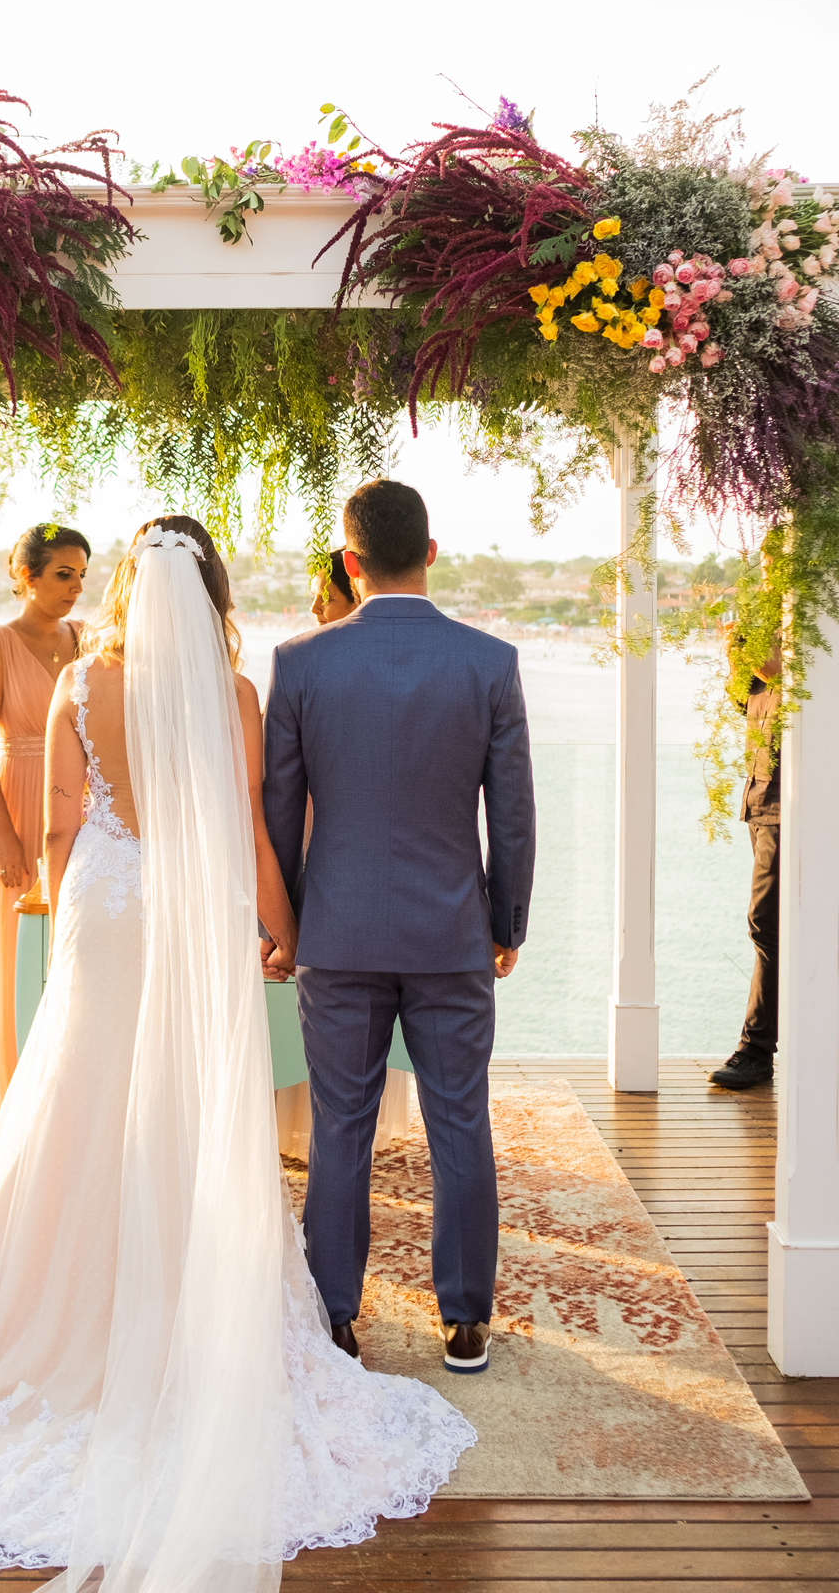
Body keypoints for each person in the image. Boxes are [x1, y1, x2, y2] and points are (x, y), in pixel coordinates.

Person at [0, 512, 475, 1589]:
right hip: (192, 910)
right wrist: (288, 932)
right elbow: (255, 832)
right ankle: (184, 1323)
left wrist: (53, 899)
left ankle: (35, 1320)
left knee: (75, 1096)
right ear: (213, 592)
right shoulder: (233, 696)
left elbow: (67, 818)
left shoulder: (86, 681)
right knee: (186, 1105)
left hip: (105, 904)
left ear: (128, 586)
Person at [263, 479, 536, 1376]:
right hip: (452, 933)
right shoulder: (489, 663)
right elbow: (515, 816)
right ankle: (464, 1323)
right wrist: (507, 921)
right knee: (461, 1120)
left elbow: (279, 811)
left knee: (342, 1124)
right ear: (430, 551)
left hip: (336, 937)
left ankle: (337, 1318)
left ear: (350, 560)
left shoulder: (300, 662)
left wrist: (288, 926)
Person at [276, 548, 413, 1159]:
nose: (314, 608)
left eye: (323, 596)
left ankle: (331, 1136)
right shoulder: (463, 662)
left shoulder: (299, 664)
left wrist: (273, 920)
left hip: (329, 876)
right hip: (400, 895)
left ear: (354, 589)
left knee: (337, 1060)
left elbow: (276, 794)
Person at [0, 524, 89, 1148]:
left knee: (75, 953)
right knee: (22, 957)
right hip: (19, 802)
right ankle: (18, 1111)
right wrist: (5, 835)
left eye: (81, 576)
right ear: (28, 576)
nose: (74, 588)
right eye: (63, 574)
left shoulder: (88, 641)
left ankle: (69, 1103)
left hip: (82, 813)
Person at [709, 632, 782, 1091]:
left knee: (766, 922)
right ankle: (760, 1047)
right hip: (761, 800)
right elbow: (750, 712)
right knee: (769, 926)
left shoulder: (808, 632)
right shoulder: (769, 629)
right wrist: (740, 673)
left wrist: (780, 677)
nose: (768, 558)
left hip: (788, 806)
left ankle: (757, 1050)